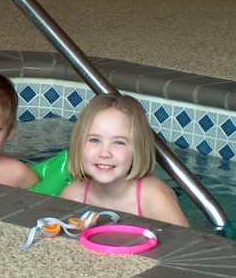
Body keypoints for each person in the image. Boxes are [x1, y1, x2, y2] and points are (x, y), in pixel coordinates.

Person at [60, 94, 190, 227]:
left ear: (137, 149)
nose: (105, 153)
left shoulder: (154, 198)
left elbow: (188, 243)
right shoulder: (74, 195)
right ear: (79, 145)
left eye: (119, 142)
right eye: (94, 140)